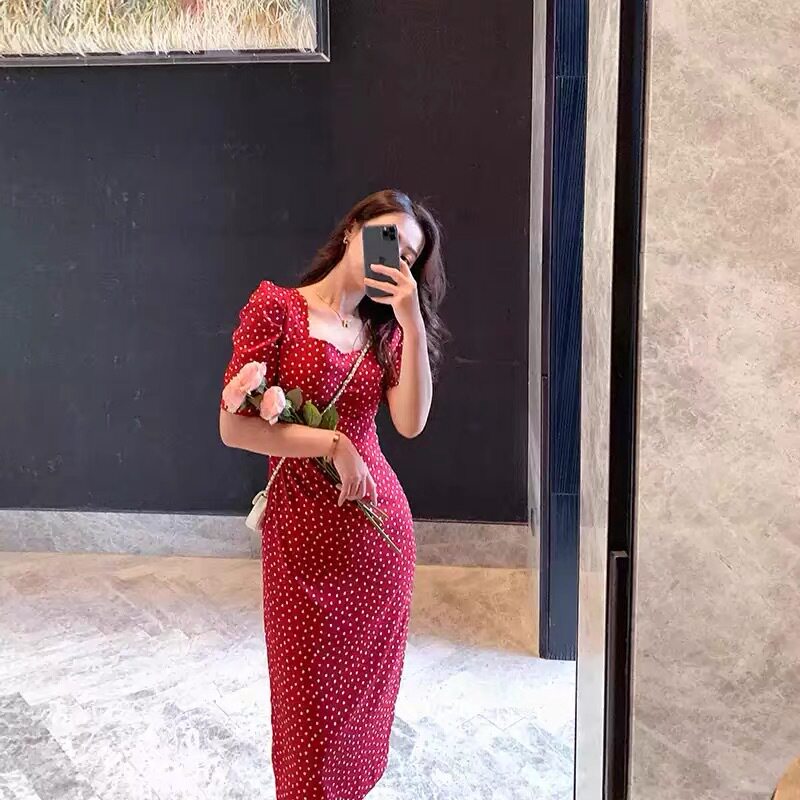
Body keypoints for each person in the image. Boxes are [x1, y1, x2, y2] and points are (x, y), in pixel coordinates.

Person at [218, 188, 447, 799]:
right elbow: (234, 427)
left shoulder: (384, 332)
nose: (395, 257)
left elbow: (410, 423)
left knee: (359, 713)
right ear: (353, 230)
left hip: (378, 542)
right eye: (388, 237)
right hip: (299, 540)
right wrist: (332, 443)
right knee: (306, 716)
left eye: (409, 256)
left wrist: (411, 321)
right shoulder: (277, 308)